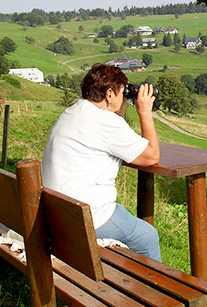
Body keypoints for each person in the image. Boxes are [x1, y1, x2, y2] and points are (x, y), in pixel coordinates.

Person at [41, 64, 161, 261]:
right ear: (110, 94)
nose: (125, 99)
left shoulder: (72, 112)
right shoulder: (104, 120)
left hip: (57, 212)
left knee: (123, 216)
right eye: (123, 93)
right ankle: (152, 289)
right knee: (147, 237)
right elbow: (151, 156)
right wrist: (145, 111)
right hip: (86, 218)